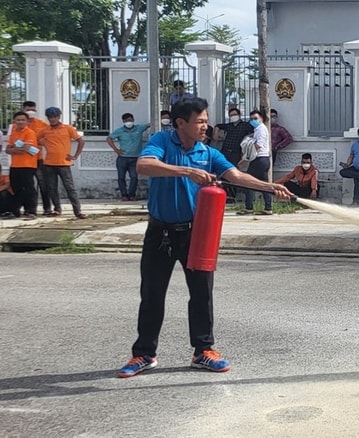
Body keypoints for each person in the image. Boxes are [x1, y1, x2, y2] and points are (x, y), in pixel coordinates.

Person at [116, 97, 294, 378]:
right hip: (159, 232)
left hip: (195, 234)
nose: (205, 126)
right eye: (199, 121)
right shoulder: (162, 141)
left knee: (201, 294)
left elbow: (235, 175)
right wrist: (187, 171)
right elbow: (144, 165)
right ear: (180, 123)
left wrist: (269, 187)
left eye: (205, 120)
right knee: (151, 295)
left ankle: (203, 350)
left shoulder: (208, 152)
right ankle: (144, 354)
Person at [36, 106, 87, 219]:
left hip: (64, 163)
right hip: (49, 163)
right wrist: (43, 143)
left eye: (54, 117)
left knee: (70, 187)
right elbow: (35, 139)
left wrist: (75, 156)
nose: (52, 119)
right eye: (50, 117)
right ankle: (57, 209)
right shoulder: (45, 130)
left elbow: (80, 141)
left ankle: (77, 211)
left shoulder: (67, 128)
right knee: (52, 188)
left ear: (59, 117)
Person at [107, 112, 150, 201]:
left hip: (135, 158)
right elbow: (109, 138)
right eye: (126, 120)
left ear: (133, 120)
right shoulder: (120, 131)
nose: (128, 122)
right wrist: (116, 150)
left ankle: (132, 195)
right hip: (122, 158)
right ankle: (124, 195)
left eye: (130, 120)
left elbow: (150, 124)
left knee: (134, 177)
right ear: (123, 121)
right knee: (121, 177)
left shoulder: (139, 128)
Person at [237, 110, 273, 215]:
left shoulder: (261, 129)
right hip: (263, 159)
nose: (253, 121)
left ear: (261, 119)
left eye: (255, 118)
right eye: (251, 119)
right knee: (264, 184)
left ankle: (249, 207)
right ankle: (268, 207)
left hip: (259, 159)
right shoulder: (258, 129)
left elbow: (258, 145)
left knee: (248, 182)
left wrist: (246, 155)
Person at [4, 111, 39, 220]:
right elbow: (7, 150)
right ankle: (15, 211)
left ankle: (31, 211)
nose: (20, 122)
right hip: (15, 165)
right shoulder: (13, 133)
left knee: (29, 188)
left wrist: (15, 148)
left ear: (27, 122)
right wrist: (17, 148)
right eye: (18, 120)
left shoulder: (30, 133)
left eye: (23, 120)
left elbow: (26, 150)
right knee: (15, 188)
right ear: (14, 121)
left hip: (28, 165)